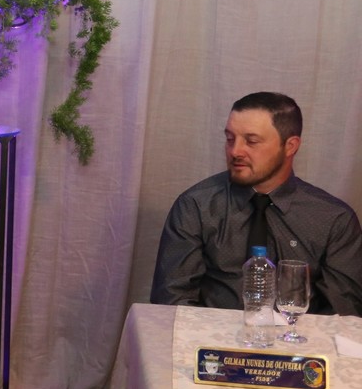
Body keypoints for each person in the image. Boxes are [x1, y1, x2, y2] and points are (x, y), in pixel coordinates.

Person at [151, 92, 362, 315]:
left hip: (297, 335)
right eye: (230, 139)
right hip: (208, 336)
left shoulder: (333, 219)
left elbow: (343, 315)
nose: (235, 151)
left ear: (290, 146)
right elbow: (171, 301)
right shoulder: (196, 206)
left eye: (251, 141)